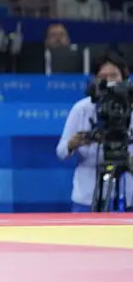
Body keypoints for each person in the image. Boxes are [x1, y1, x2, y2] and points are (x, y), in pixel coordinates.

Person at [56, 54, 133, 211]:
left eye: (114, 76)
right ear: (95, 80)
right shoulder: (82, 109)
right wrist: (73, 143)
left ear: (125, 79)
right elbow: (61, 152)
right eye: (103, 77)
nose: (110, 81)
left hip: (127, 196)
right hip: (87, 197)